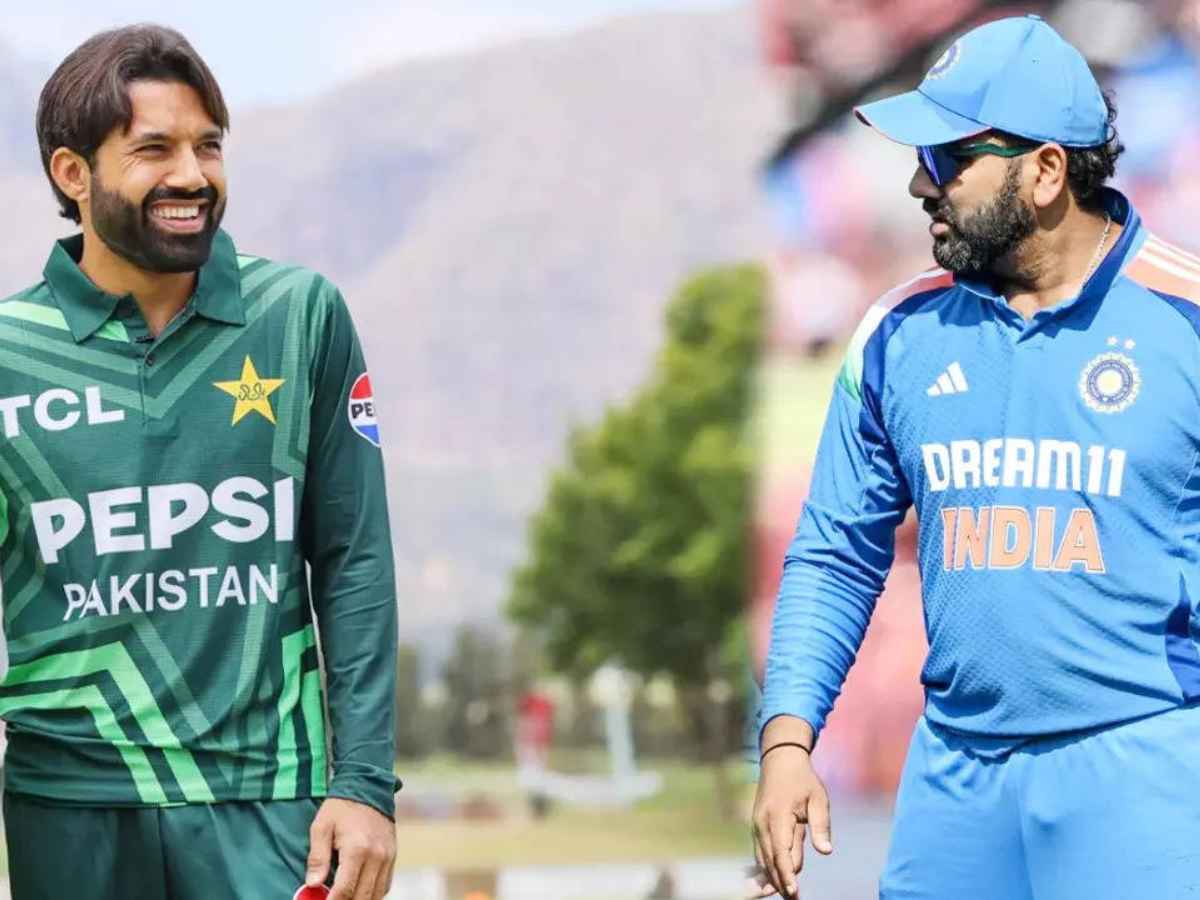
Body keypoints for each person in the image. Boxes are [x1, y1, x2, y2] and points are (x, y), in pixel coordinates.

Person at [752, 14, 1200, 900]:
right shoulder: (899, 334)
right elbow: (835, 556)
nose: (922, 183)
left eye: (951, 158)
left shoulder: (1185, 322)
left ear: (1046, 170)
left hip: (1143, 775)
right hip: (954, 790)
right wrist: (787, 742)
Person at [0, 25, 399, 900]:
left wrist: (366, 784)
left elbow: (355, 562)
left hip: (269, 799)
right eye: (155, 149)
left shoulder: (299, 316)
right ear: (73, 173)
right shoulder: (10, 353)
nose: (193, 175)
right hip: (67, 804)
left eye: (208, 146)